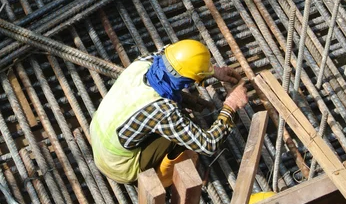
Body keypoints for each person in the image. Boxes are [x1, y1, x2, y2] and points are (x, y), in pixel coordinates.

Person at [90, 39, 248, 187]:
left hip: (99, 135)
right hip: (118, 166)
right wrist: (231, 106)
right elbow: (208, 144)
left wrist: (212, 71)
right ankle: (165, 181)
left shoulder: (144, 62)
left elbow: (172, 56)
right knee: (181, 136)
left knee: (174, 108)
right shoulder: (162, 111)